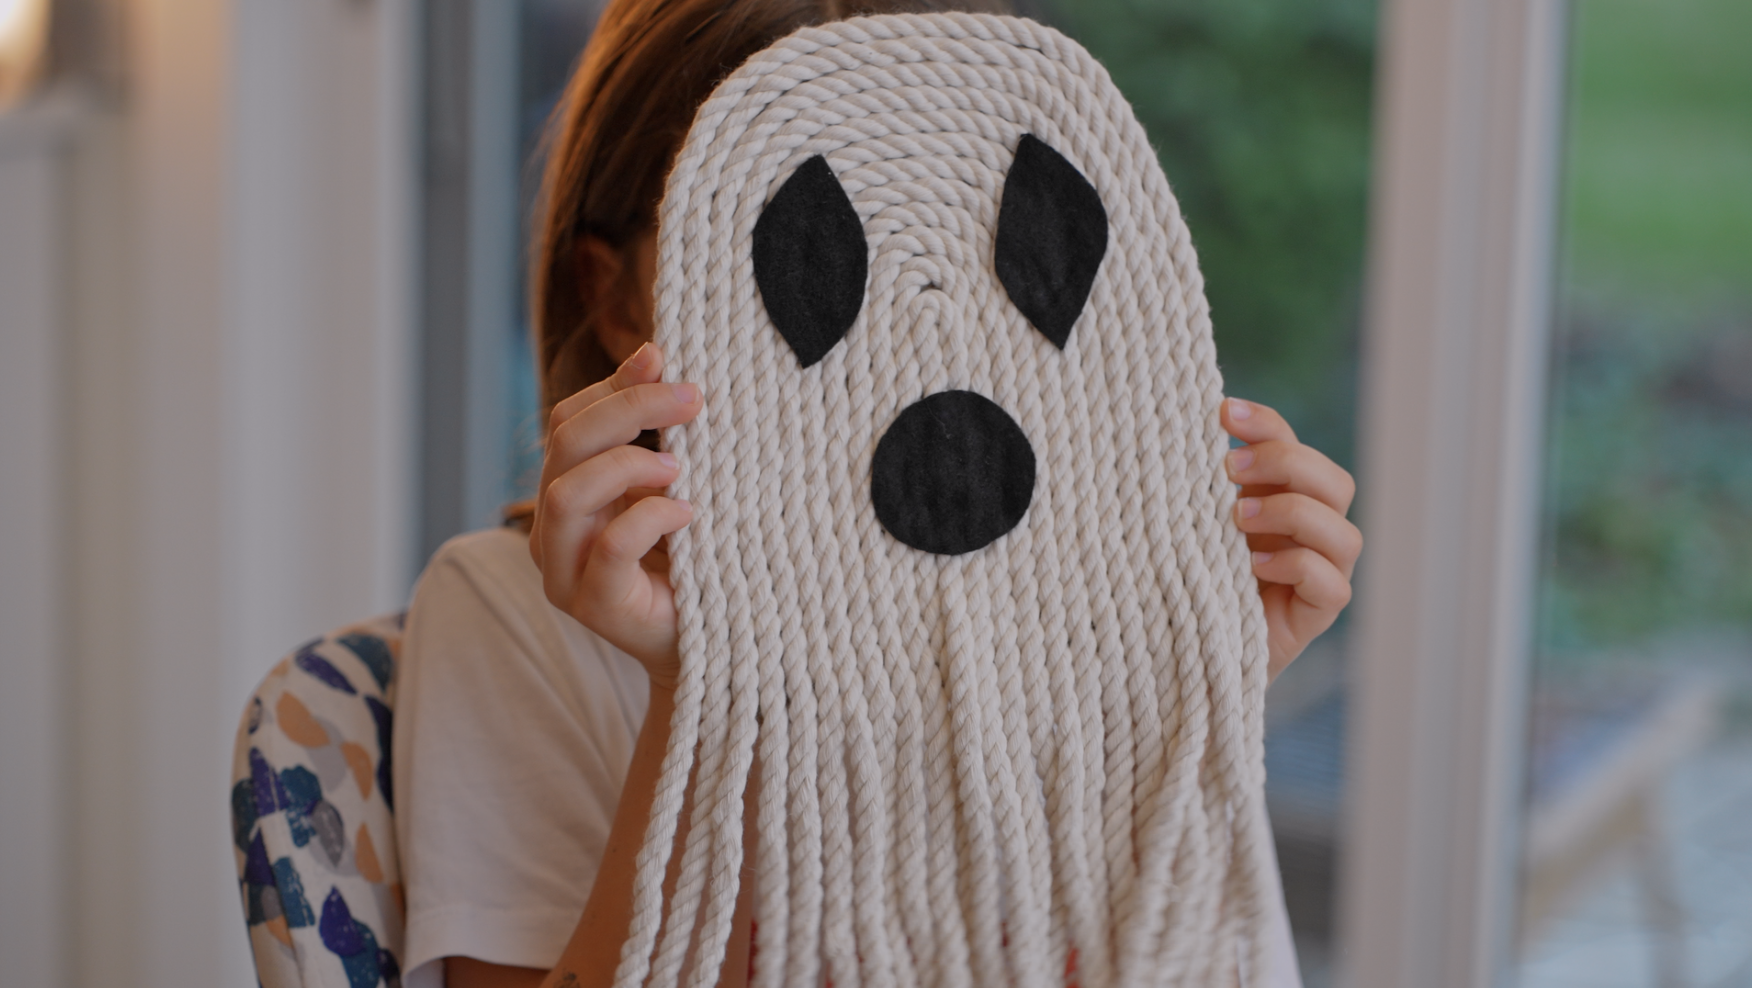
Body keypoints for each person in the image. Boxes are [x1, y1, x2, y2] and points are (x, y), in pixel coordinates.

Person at [392, 1, 1365, 987]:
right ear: (617, 298)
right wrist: (705, 689)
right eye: (804, 262)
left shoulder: (1078, 638)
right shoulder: (503, 619)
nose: (924, 343)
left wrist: (1194, 690)